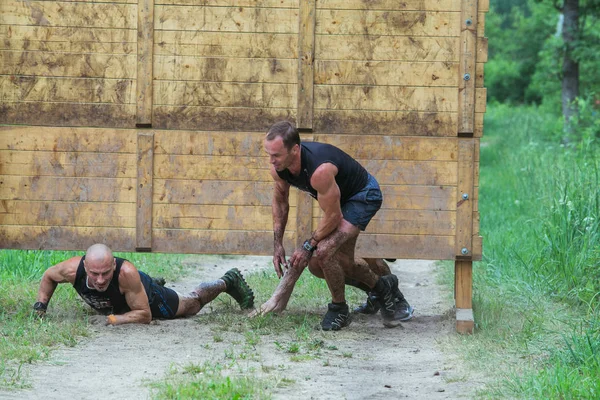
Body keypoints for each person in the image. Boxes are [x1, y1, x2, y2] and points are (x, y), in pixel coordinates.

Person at [253, 121, 413, 330]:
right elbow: (281, 203)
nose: (271, 161)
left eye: (276, 155)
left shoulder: (320, 170)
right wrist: (278, 244)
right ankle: (383, 287)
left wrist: (308, 244)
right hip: (340, 201)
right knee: (320, 266)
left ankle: (339, 309)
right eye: (269, 154)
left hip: (363, 195)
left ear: (294, 150)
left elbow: (334, 215)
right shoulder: (279, 169)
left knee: (325, 251)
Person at [33, 244, 255, 325]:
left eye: (105, 273)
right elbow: (48, 277)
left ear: (113, 266)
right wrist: (40, 308)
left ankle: (227, 281)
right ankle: (143, 285)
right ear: (85, 267)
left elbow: (145, 315)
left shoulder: (125, 272)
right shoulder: (72, 269)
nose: (100, 280)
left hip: (145, 296)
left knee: (191, 305)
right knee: (127, 292)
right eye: (94, 274)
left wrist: (111, 319)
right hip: (128, 290)